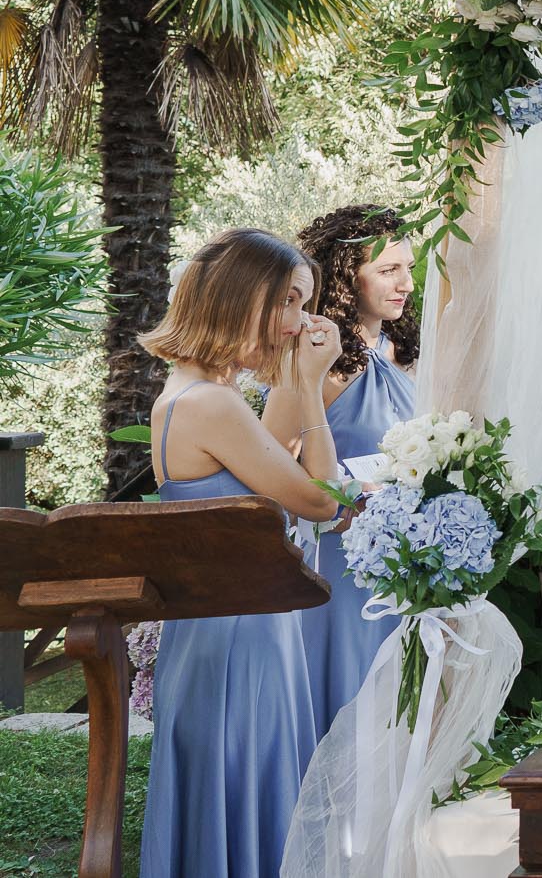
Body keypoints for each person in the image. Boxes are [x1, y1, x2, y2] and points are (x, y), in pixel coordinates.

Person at [137, 229, 346, 878]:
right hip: (239, 638)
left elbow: (275, 465)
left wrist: (293, 381)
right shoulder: (213, 404)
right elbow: (323, 499)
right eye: (287, 300)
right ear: (240, 297)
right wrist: (310, 385)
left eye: (304, 303)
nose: (299, 322)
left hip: (221, 629)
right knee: (253, 793)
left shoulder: (189, 394)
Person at [294, 205, 418, 740]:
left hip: (406, 552)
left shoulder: (405, 351)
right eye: (389, 270)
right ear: (347, 273)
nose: (407, 284)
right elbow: (283, 463)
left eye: (409, 268)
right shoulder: (319, 361)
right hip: (341, 555)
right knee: (349, 695)